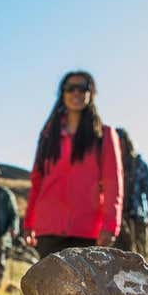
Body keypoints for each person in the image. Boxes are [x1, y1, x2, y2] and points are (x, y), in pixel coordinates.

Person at [22, 70, 123, 258]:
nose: (75, 93)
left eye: (82, 88)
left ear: (91, 93)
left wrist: (110, 226)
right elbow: (37, 181)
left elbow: (113, 185)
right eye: (70, 88)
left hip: (87, 230)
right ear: (63, 94)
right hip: (48, 228)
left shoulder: (105, 136)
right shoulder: (47, 136)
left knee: (83, 287)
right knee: (50, 286)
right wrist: (29, 223)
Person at [114, 128, 148, 258]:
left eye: (121, 142)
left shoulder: (139, 165)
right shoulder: (111, 165)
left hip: (138, 218)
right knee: (120, 255)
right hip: (118, 219)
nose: (119, 145)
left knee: (141, 256)